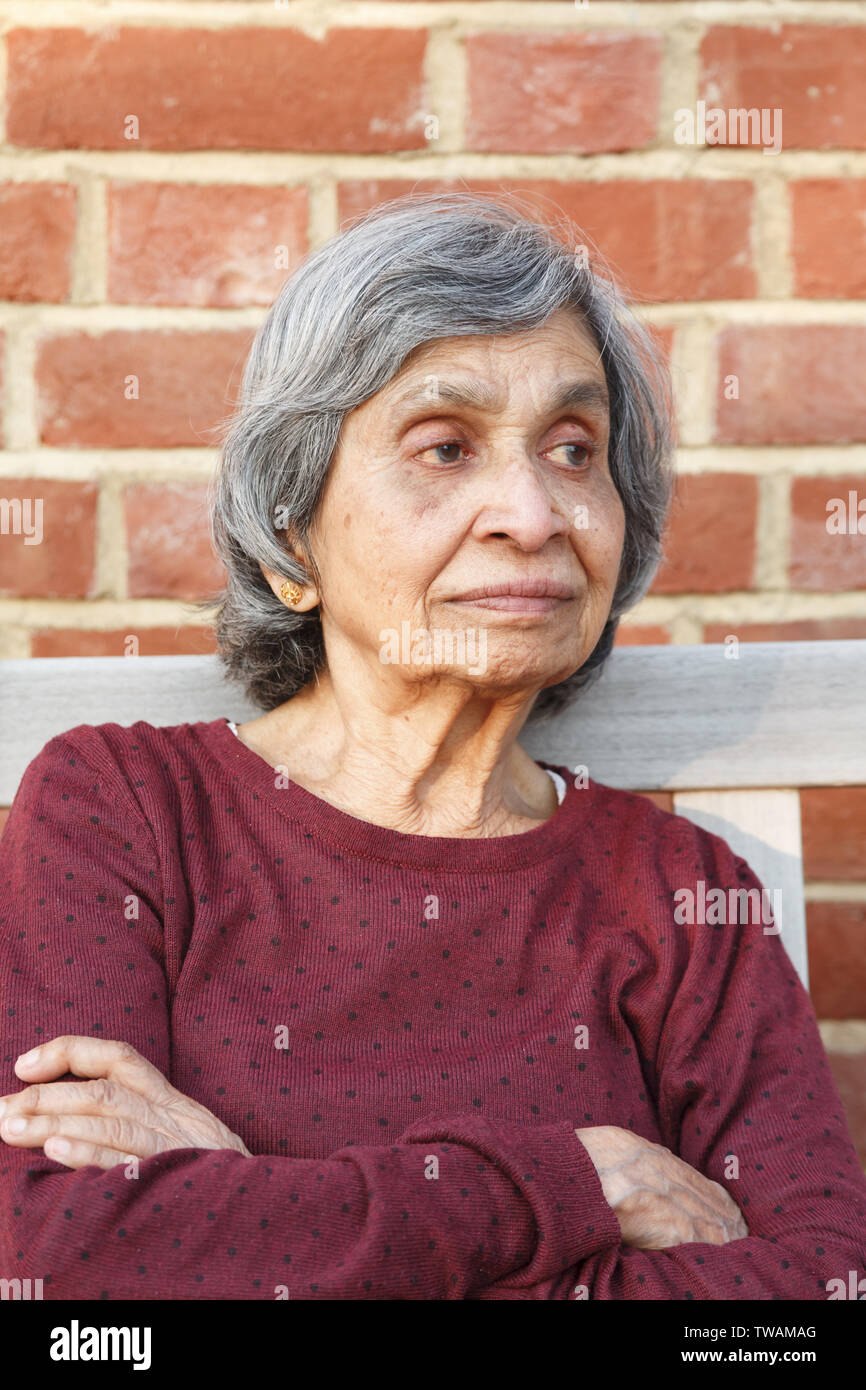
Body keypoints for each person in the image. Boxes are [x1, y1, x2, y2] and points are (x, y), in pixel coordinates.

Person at [1, 193, 864, 1300]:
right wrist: (576, 1189)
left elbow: (804, 1301)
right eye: (444, 445)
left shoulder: (682, 896)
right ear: (289, 541)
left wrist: (249, 1195)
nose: (532, 511)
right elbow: (76, 1271)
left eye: (571, 447)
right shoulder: (123, 808)